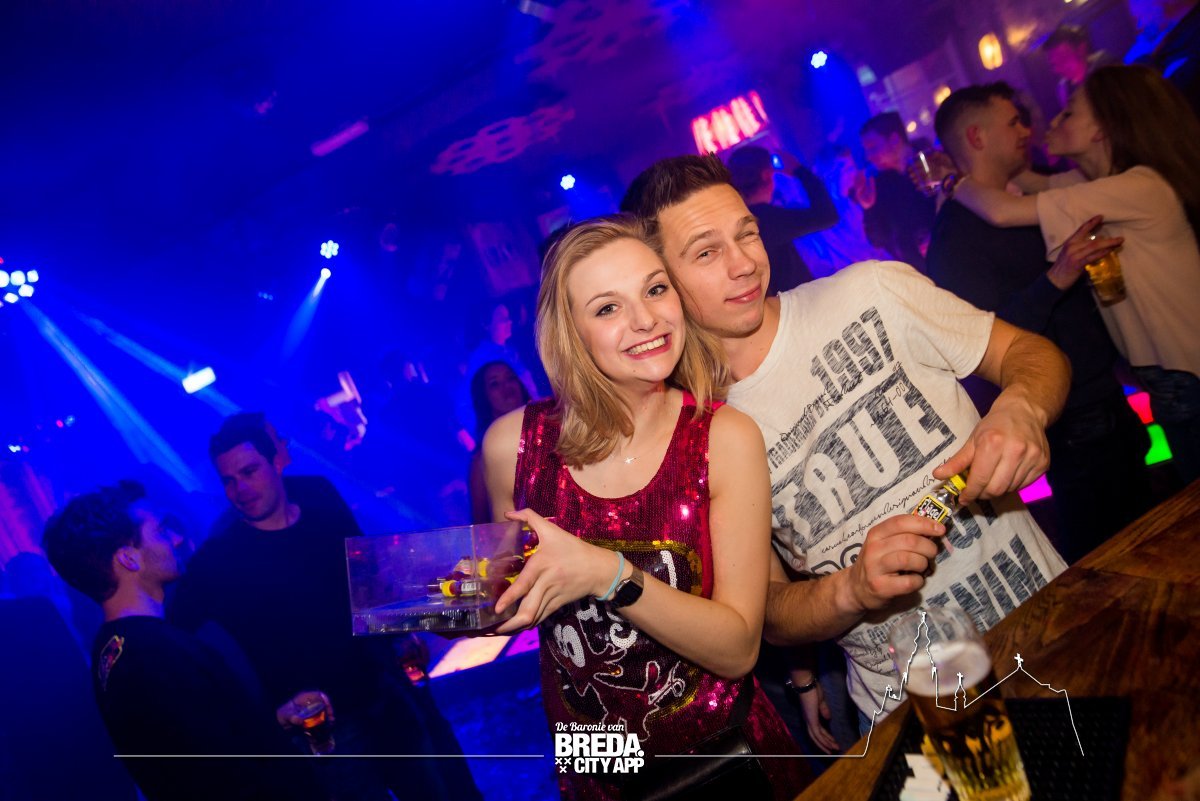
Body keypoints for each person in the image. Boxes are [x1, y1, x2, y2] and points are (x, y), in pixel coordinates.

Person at [624, 154, 1069, 726]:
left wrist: (1022, 407)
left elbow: (1028, 353)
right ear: (658, 285)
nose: (745, 264)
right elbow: (769, 609)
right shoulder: (693, 436)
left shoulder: (872, 292)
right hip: (908, 705)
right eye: (707, 252)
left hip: (1048, 632)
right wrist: (852, 589)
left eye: (747, 233)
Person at [482, 215, 811, 800]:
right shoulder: (512, 446)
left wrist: (608, 575)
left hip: (724, 757)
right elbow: (511, 597)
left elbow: (739, 649)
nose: (646, 320)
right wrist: (457, 603)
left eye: (655, 289)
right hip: (595, 765)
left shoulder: (723, 437)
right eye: (608, 307)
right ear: (570, 333)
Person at [171, 414, 479, 801]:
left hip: (382, 694)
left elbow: (368, 580)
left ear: (276, 462)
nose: (241, 489)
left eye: (249, 472)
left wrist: (401, 634)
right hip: (327, 731)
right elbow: (176, 639)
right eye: (229, 480)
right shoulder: (219, 558)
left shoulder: (321, 507)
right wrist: (255, 714)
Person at [927, 82, 1156, 562]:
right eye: (1012, 122)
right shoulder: (956, 236)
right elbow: (976, 343)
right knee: (1109, 557)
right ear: (977, 137)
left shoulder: (1036, 191)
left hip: (1108, 397)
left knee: (1154, 532)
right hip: (1070, 422)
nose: (1026, 130)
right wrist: (1057, 277)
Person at [952, 65, 1200, 484]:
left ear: (1101, 129)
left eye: (1068, 113)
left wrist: (949, 183)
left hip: (1187, 375)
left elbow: (1001, 210)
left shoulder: (1135, 186)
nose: (1051, 122)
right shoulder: (1091, 183)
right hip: (1168, 377)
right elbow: (1025, 180)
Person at [42, 481, 325, 801]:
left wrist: (274, 722)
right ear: (129, 559)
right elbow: (225, 782)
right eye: (160, 531)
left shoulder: (112, 649)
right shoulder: (155, 654)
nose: (176, 539)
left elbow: (206, 749)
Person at [727, 145, 839, 294]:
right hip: (794, 303)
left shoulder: (737, 222)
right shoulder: (766, 219)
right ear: (766, 175)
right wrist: (799, 171)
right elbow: (827, 216)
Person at [795, 145, 889, 279]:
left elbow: (872, 247)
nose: (853, 174)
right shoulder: (819, 218)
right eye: (845, 170)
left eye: (852, 168)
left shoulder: (854, 204)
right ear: (825, 175)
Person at [858, 112, 937, 271]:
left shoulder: (933, 162)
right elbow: (878, 240)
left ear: (894, 139)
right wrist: (868, 208)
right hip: (922, 273)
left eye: (872, 147)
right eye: (866, 150)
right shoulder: (880, 184)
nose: (869, 156)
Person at [467, 361, 531, 523]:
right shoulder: (483, 457)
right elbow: (482, 523)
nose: (506, 387)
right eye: (495, 384)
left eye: (510, 378)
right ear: (484, 397)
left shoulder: (549, 429)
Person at [1042, 25, 1115, 109]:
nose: (1058, 69)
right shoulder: (1065, 89)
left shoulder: (1106, 67)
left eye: (1063, 59)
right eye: (1054, 64)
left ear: (1081, 49)